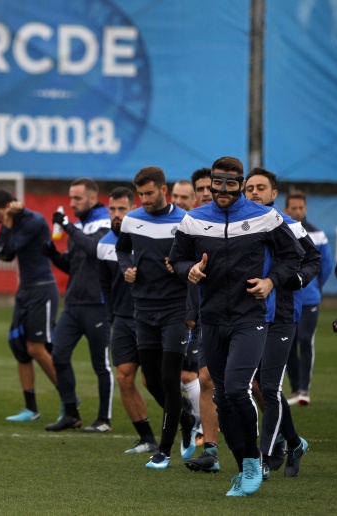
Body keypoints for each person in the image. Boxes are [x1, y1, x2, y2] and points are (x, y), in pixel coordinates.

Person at [169, 156, 304, 496]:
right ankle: (245, 464)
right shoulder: (193, 220)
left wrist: (272, 281)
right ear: (211, 182)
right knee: (223, 400)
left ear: (241, 184)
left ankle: (255, 462)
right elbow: (178, 258)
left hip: (251, 319)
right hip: (211, 319)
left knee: (234, 388)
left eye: (231, 183)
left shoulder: (265, 217)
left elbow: (294, 256)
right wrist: (190, 270)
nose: (223, 190)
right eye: (218, 183)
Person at [115, 167, 197, 469]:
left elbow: (198, 262)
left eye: (150, 193)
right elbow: (122, 250)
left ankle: (163, 451)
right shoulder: (132, 219)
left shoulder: (185, 221)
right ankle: (187, 420)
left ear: (164, 190)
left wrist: (178, 265)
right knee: (150, 380)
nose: (145, 199)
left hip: (175, 310)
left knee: (169, 378)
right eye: (141, 194)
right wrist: (128, 268)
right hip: (143, 310)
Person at [244, 168, 318, 479]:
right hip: (250, 315)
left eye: (261, 188)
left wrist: (296, 278)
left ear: (275, 195)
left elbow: (312, 259)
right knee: (257, 387)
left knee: (270, 387)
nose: (254, 193)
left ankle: (265, 456)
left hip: (284, 315)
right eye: (249, 188)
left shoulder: (291, 225)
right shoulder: (240, 225)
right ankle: (294, 442)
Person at [43, 178, 113, 432]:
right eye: (70, 198)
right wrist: (51, 252)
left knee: (100, 364)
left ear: (92, 199)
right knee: (58, 355)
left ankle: (104, 420)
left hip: (98, 303)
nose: (72, 203)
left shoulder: (105, 221)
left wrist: (68, 228)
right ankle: (71, 412)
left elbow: (96, 249)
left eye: (78, 199)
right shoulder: (80, 224)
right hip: (73, 304)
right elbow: (72, 266)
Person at [0, 189, 59, 423]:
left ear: (8, 206)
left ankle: (69, 398)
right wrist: (5, 222)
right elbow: (0, 255)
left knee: (37, 347)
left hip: (42, 289)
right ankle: (31, 408)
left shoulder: (33, 221)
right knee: (19, 347)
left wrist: (6, 222)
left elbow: (11, 246)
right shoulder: (14, 222)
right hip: (25, 289)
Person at [97, 186, 158, 453]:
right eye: (112, 209)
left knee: (153, 381)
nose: (117, 214)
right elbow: (105, 285)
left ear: (134, 208)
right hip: (122, 319)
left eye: (123, 209)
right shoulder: (103, 244)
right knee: (124, 377)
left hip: (150, 317)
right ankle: (146, 438)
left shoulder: (147, 236)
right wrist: (112, 316)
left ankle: (188, 420)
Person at [184, 166, 221, 472]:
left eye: (211, 187)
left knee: (251, 387)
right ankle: (211, 449)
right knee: (205, 380)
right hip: (204, 316)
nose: (207, 193)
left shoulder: (242, 221)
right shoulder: (189, 224)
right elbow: (179, 262)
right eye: (202, 189)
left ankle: (272, 440)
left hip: (245, 316)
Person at [284, 190, 333, 406]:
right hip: (286, 299)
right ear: (286, 209)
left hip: (309, 300)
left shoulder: (318, 235)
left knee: (305, 340)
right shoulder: (281, 230)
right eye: (293, 208)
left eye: (300, 208)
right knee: (288, 345)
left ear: (306, 209)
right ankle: (295, 390)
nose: (297, 212)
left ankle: (304, 390)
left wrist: (316, 287)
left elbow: (326, 266)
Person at [170, 179, 201, 430]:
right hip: (169, 311)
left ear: (194, 200)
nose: (179, 201)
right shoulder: (172, 227)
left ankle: (202, 426)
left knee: (188, 373)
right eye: (175, 196)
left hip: (196, 311)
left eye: (184, 197)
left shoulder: (202, 227)